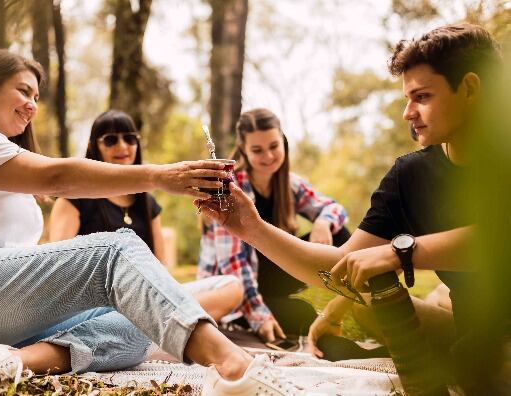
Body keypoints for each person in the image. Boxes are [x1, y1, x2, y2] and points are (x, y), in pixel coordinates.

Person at [0, 49, 302, 396]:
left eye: (36, 96)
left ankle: (5, 362)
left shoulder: (5, 165)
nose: (32, 105)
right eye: (23, 90)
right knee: (116, 249)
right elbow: (56, 177)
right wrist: (160, 175)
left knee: (140, 316)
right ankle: (235, 368)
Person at [197, 23, 506, 389]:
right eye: (407, 98)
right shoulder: (410, 175)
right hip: (473, 332)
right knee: (372, 303)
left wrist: (400, 254)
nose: (408, 112)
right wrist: (253, 228)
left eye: (422, 97)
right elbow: (341, 269)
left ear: (470, 88)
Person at [49, 109, 244, 322]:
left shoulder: (147, 202)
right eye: (111, 140)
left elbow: (161, 268)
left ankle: (158, 326)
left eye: (130, 139)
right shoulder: (73, 198)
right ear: (93, 146)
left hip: (149, 298)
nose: (122, 146)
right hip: (98, 306)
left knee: (231, 288)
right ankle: (165, 327)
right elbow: (61, 272)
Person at [198, 108, 349, 341]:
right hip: (238, 289)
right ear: (244, 151)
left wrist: (323, 222)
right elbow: (233, 263)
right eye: (257, 150)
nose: (268, 156)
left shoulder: (289, 184)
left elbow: (335, 208)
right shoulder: (230, 189)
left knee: (340, 235)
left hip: (273, 274)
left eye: (274, 146)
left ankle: (356, 304)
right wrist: (260, 316)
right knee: (304, 315)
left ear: (283, 143)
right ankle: (256, 314)